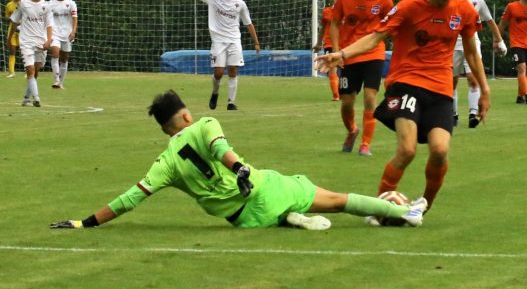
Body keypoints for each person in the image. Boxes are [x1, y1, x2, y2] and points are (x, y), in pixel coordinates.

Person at [49, 90, 427, 230]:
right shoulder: (205, 124)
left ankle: (286, 220)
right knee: (338, 199)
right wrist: (240, 169)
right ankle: (401, 211)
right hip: (263, 189)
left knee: (296, 204)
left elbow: (131, 198)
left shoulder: (163, 163)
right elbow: (220, 148)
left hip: (243, 220)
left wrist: (86, 222)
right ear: (183, 116)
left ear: (165, 128)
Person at [317, 0, 491, 212]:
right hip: (406, 82)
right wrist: (341, 54)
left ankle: (423, 207)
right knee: (407, 150)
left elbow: (470, 50)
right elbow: (376, 37)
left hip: (440, 88)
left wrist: (484, 87)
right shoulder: (410, 6)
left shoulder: (464, 10)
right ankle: (378, 208)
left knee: (440, 150)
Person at [329, 0, 394, 157]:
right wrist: (337, 51)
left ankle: (366, 144)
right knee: (347, 102)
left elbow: (392, 24)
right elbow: (334, 24)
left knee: (370, 97)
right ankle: (352, 131)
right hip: (349, 54)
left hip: (374, 53)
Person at [178, 0, 260, 111]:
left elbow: (248, 24)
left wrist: (256, 42)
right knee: (219, 72)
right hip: (218, 42)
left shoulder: (240, 4)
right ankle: (215, 93)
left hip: (234, 41)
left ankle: (231, 102)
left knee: (233, 69)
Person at [452, 0, 506, 128]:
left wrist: (499, 40)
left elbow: (489, 21)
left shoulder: (478, 1)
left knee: (472, 78)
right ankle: (453, 114)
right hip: (453, 45)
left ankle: (472, 114)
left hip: (472, 43)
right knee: (452, 81)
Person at [10, 0, 54, 107]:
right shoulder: (23, 4)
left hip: (41, 42)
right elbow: (14, 21)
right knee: (29, 70)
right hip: (26, 42)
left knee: (35, 71)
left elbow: (49, 25)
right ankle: (37, 98)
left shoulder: (47, 6)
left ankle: (26, 99)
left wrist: (49, 40)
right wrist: (9, 38)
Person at [48, 0, 78, 89]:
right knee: (55, 53)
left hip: (67, 34)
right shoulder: (50, 4)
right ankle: (56, 80)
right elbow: (47, 19)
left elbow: (75, 19)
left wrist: (73, 31)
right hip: (54, 34)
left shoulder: (71, 3)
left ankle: (61, 82)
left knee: (64, 58)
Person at [312, 0, 340, 101]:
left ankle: (343, 91)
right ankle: (336, 95)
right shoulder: (327, 12)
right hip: (330, 44)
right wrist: (319, 43)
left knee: (348, 71)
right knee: (332, 68)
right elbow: (323, 29)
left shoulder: (348, 11)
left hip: (345, 45)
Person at [4, 0, 23, 78]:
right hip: (12, 29)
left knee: (25, 50)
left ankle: (27, 72)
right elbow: (7, 18)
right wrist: (13, 19)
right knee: (12, 50)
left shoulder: (25, 3)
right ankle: (11, 72)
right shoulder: (9, 5)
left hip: (23, 30)